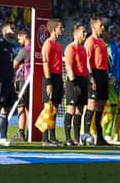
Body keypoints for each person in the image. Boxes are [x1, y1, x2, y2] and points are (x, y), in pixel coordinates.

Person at [82, 17, 109, 146]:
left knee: (101, 106)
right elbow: (87, 60)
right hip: (95, 73)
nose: (103, 27)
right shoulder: (90, 41)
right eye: (101, 25)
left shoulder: (102, 42)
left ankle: (99, 137)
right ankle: (85, 135)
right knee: (92, 104)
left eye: (103, 25)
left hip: (103, 74)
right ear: (93, 27)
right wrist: (91, 76)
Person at [0, 22, 17, 146]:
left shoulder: (11, 46)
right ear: (4, 30)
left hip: (9, 81)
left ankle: (3, 137)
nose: (15, 31)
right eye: (12, 28)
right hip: (0, 81)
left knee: (6, 109)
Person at [64, 23, 88, 146]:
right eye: (83, 32)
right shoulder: (70, 48)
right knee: (71, 109)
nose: (85, 34)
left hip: (83, 80)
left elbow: (85, 67)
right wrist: (74, 84)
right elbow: (68, 66)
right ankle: (68, 139)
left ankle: (77, 139)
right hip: (74, 81)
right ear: (76, 33)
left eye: (85, 32)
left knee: (80, 111)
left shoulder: (83, 49)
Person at [41, 18, 64, 146]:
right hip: (50, 78)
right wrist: (49, 82)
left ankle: (53, 138)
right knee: (48, 108)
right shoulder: (48, 44)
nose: (62, 29)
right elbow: (45, 64)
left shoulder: (58, 45)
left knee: (55, 109)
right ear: (54, 29)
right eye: (61, 27)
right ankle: (45, 139)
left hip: (58, 77)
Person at [12, 29, 31, 142]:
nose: (19, 41)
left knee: (21, 107)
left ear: (24, 37)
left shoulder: (24, 50)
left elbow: (15, 64)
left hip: (22, 81)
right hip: (31, 81)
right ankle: (30, 133)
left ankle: (21, 132)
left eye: (19, 38)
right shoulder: (35, 49)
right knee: (28, 107)